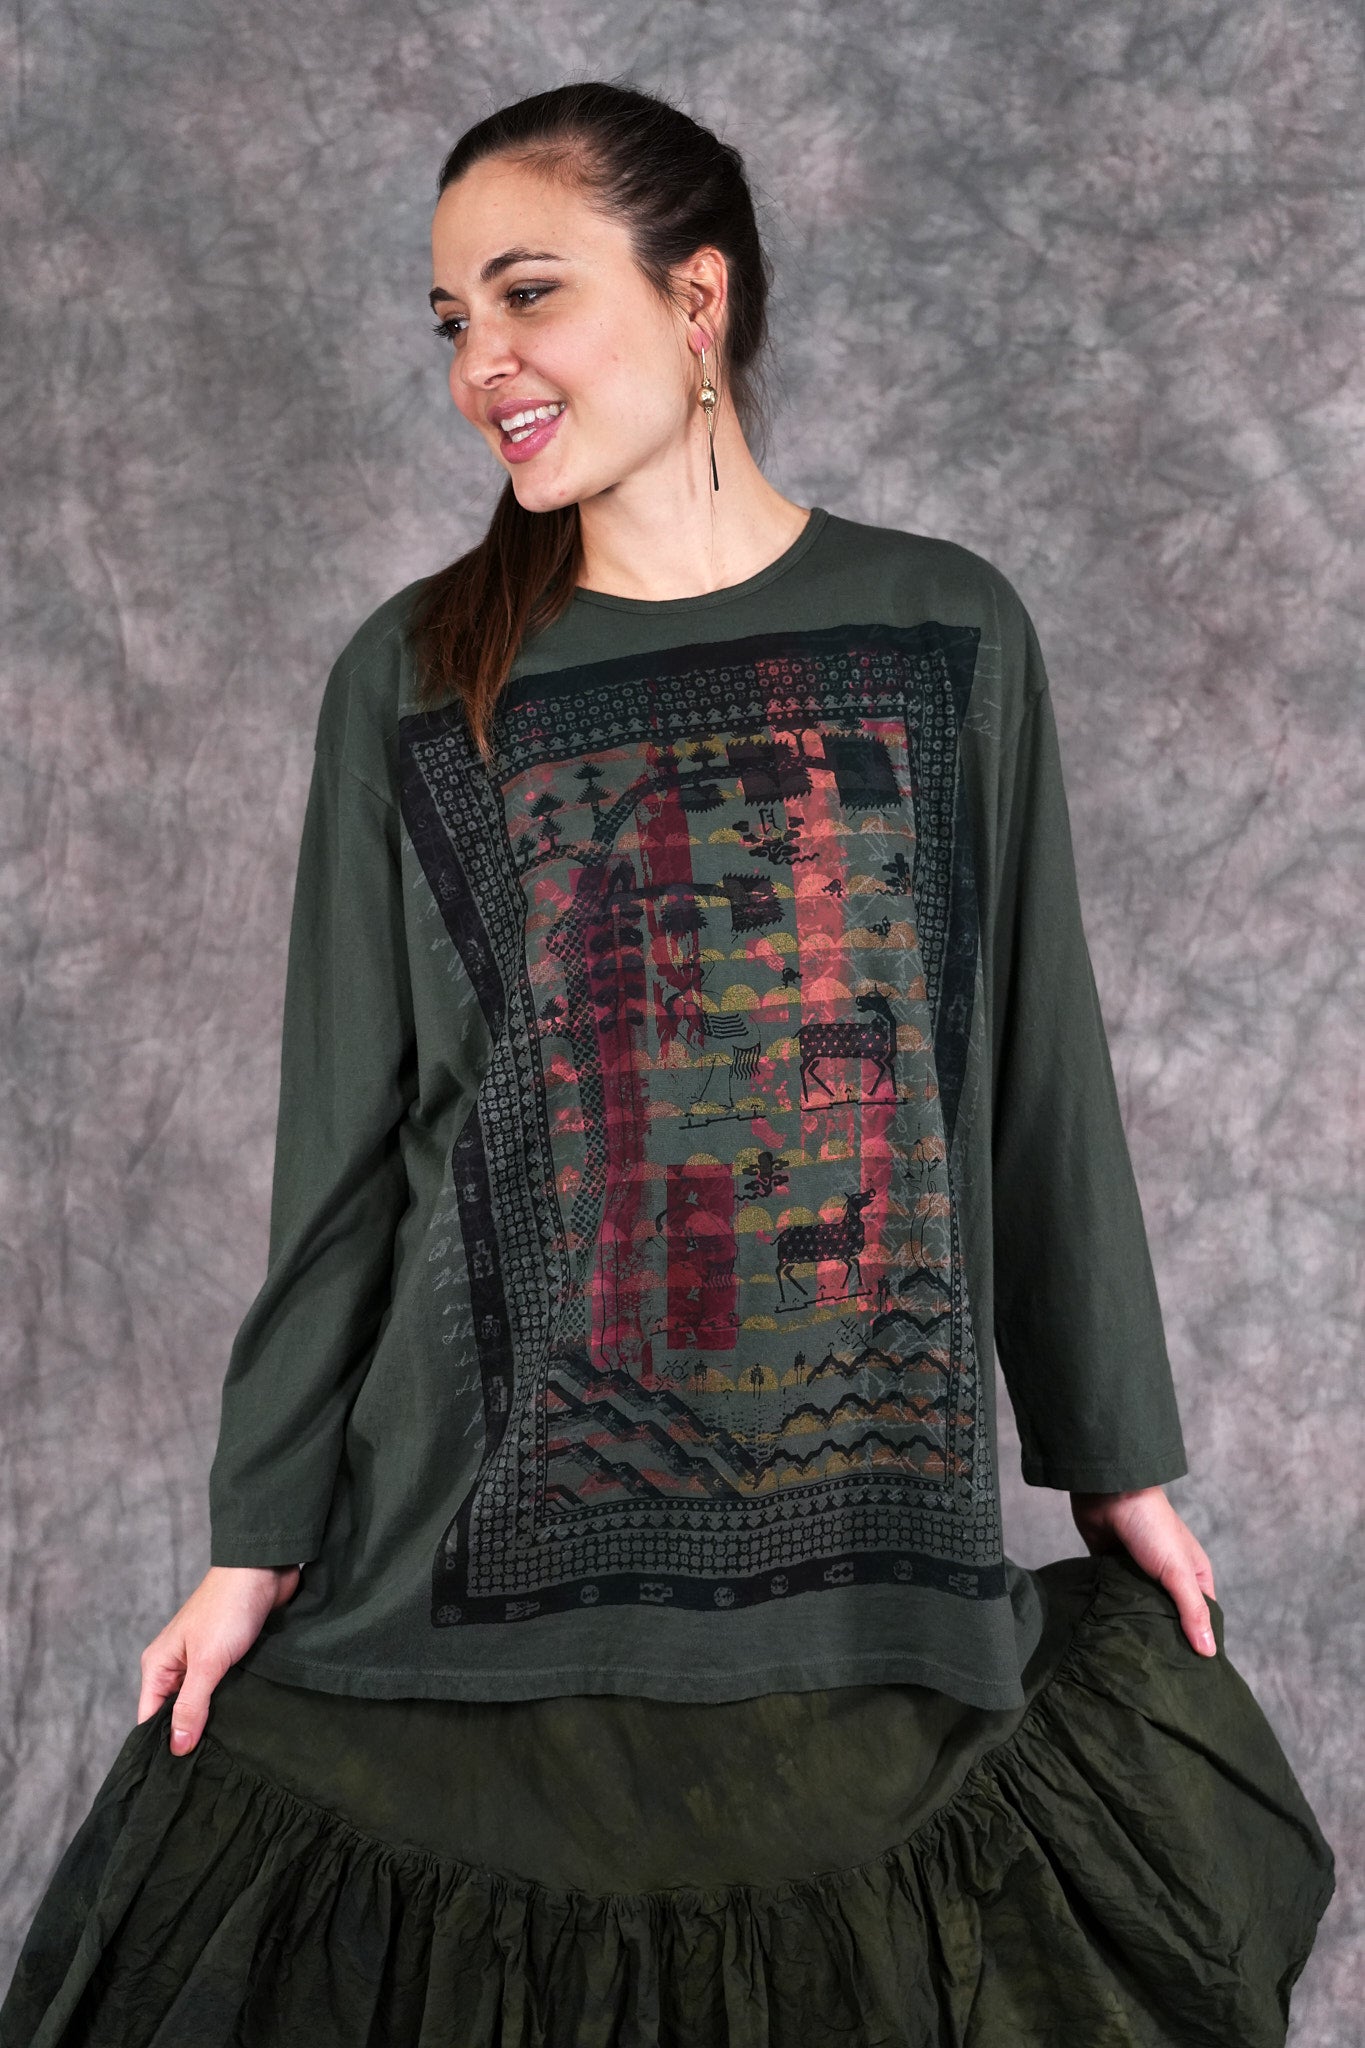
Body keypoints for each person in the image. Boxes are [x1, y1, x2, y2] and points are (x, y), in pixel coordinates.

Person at [1, 78, 1334, 2048]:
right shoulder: (411, 679)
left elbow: (1028, 1081)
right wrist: (250, 1539)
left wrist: (1112, 1457)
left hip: (863, 1592)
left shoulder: (944, 629)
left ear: (695, 298)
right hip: (463, 1582)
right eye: (449, 318)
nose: (481, 360)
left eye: (526, 293)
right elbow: (346, 1163)